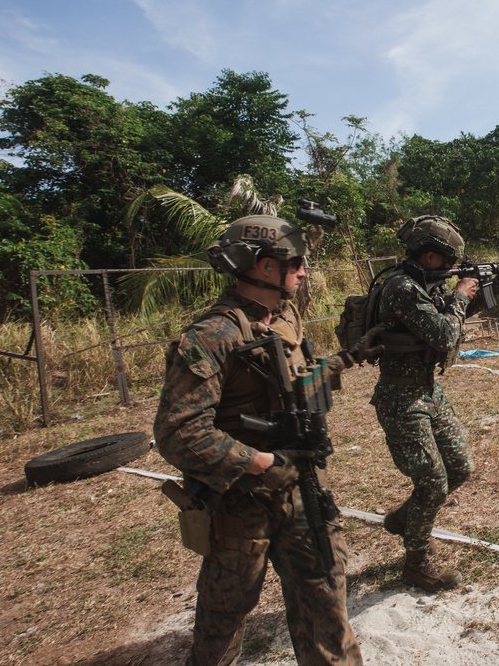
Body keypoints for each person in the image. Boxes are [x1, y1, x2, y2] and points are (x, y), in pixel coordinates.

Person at [153, 215, 364, 666]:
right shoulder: (213, 335)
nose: (304, 271)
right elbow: (178, 431)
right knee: (225, 610)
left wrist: (335, 367)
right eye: (297, 263)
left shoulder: (283, 315)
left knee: (325, 594)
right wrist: (259, 464)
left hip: (302, 485)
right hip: (240, 501)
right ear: (266, 267)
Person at [371, 215, 499, 591]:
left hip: (427, 390)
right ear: (429, 256)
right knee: (433, 483)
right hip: (401, 397)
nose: (454, 267)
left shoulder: (423, 284)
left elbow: (460, 314)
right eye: (448, 260)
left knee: (459, 466)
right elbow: (444, 333)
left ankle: (403, 519)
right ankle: (417, 563)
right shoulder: (402, 287)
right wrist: (460, 293)